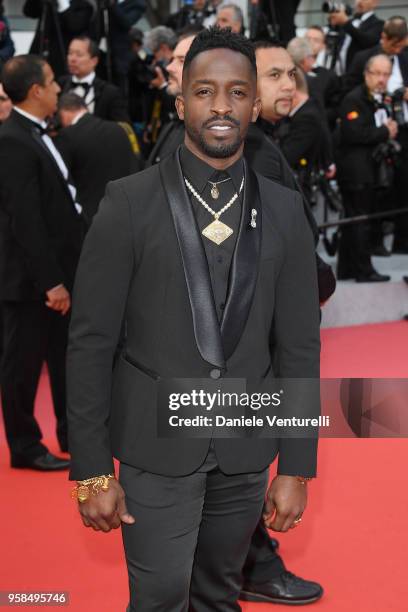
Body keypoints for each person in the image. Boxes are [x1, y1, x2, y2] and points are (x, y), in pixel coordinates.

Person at [67, 27, 321, 611]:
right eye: (204, 91)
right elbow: (89, 343)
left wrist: (298, 466)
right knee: (157, 598)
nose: (222, 106)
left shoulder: (283, 209)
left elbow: (299, 347)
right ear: (181, 103)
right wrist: (90, 471)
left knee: (219, 595)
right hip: (154, 447)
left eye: (237, 92)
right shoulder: (128, 202)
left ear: (255, 104)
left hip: (245, 443)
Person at [148, 29, 326, 608]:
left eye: (288, 76)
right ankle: (253, 564)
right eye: (274, 75)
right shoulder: (242, 157)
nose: (286, 85)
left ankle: (246, 563)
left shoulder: (245, 148)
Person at [0, 54, 86, 470]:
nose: (57, 88)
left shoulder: (33, 134)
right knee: (23, 365)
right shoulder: (12, 139)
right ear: (35, 90)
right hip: (31, 281)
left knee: (63, 359)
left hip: (55, 274)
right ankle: (24, 445)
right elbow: (26, 220)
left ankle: (71, 433)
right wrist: (51, 282)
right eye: (51, 82)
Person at [336, 54, 397, 282]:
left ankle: (347, 269)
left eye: (386, 74)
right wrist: (385, 132)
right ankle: (364, 270)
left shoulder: (379, 99)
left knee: (354, 220)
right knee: (360, 220)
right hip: (355, 171)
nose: (382, 79)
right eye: (377, 73)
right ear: (367, 74)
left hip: (367, 170)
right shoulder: (354, 99)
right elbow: (354, 134)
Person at [57, 93, 141, 221]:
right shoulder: (121, 129)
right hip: (128, 210)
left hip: (90, 216)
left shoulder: (66, 136)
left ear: (63, 112)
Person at [59, 35, 130, 122]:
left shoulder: (110, 93)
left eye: (79, 55)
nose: (72, 59)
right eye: (70, 53)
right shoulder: (59, 85)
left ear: (94, 61)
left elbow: (122, 127)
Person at [23, 0, 94, 78]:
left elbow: (74, 26)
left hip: (63, 57)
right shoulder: (47, 3)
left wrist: (62, 3)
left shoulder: (84, 6)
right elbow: (29, 11)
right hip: (41, 51)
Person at [327, 0, 383, 74]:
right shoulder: (350, 21)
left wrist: (346, 23)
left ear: (375, 2)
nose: (359, 1)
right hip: (336, 74)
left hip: (357, 76)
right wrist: (334, 25)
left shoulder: (378, 24)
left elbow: (366, 41)